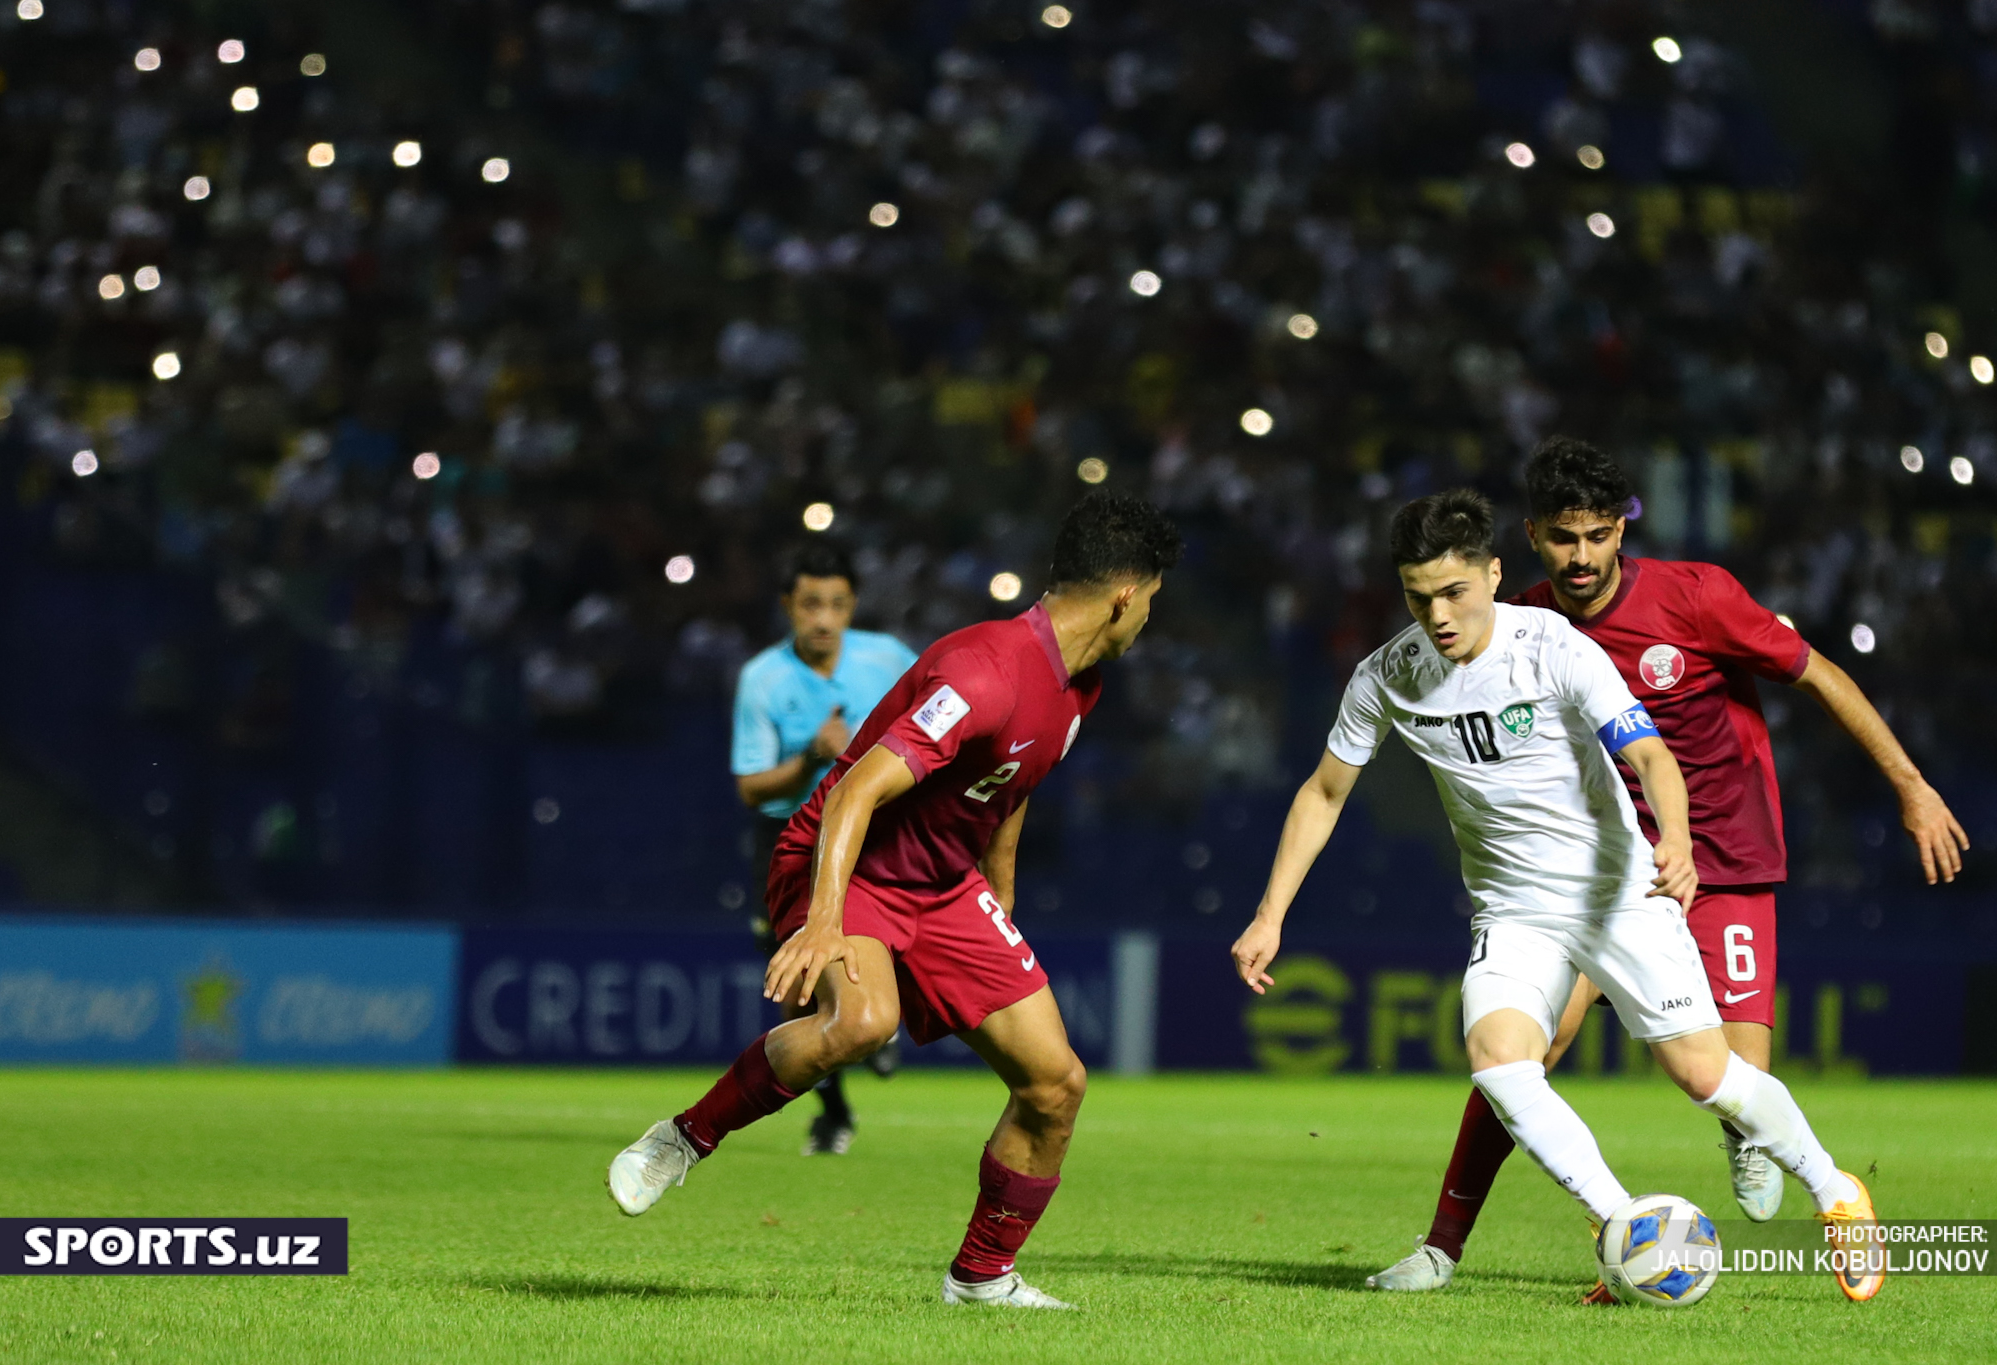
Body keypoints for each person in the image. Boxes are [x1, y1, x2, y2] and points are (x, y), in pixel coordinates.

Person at [1231, 488, 1886, 1307]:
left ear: (1495, 574)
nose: (1437, 613)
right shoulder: (1389, 675)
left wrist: (1675, 840)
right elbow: (1323, 794)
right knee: (1501, 1063)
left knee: (1704, 1075)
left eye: (1454, 591)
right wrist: (1270, 914)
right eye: (1418, 594)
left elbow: (1649, 755)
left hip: (1616, 892)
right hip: (1512, 910)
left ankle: (1836, 1193)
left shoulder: (1553, 644)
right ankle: (1625, 1226)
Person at [1368, 441, 1966, 1301]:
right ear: (1532, 537)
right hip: (1599, 869)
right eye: (1564, 538)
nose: (1581, 558)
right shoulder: (1522, 619)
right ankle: (1456, 1244)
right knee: (1521, 1055)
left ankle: (1805, 1174)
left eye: (1598, 536)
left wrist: (1910, 786)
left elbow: (1820, 675)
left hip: (1719, 856)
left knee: (1724, 1076)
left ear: (1623, 530)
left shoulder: (1697, 596)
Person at [609, 492, 1184, 1308]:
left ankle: (983, 1276)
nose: (1148, 620)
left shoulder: (1077, 688)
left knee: (1056, 1083)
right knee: (861, 1020)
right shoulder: (985, 671)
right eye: (1153, 601)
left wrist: (1001, 905)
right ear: (1126, 593)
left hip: (946, 886)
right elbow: (852, 795)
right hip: (844, 859)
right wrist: (822, 919)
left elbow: (1009, 793)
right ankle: (682, 1137)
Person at [732, 542, 918, 1155]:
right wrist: (810, 758)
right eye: (811, 604)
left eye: (836, 605)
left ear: (852, 607)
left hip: (878, 833)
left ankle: (879, 1026)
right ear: (788, 605)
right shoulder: (762, 678)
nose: (823, 619)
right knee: (796, 989)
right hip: (790, 840)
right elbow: (751, 788)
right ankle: (836, 1110)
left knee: (892, 945)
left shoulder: (888, 658)